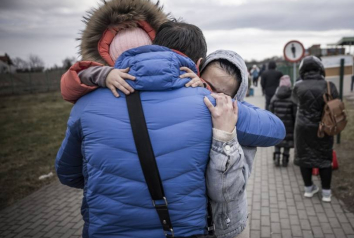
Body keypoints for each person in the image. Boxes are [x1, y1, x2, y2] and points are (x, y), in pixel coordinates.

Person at [56, 1, 285, 237]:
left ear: (155, 46)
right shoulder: (210, 104)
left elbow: (68, 174)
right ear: (198, 65)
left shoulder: (87, 103)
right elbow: (275, 130)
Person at [291, 56, 339, 202]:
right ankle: (326, 193)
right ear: (320, 69)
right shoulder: (329, 85)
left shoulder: (298, 86)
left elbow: (295, 102)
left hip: (303, 127)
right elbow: (336, 103)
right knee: (324, 158)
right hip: (323, 127)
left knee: (304, 157)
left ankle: (308, 189)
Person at [269, 75, 297, 167]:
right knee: (287, 142)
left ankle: (277, 156)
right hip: (289, 125)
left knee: (277, 140)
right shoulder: (292, 97)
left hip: (277, 124)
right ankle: (285, 159)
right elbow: (295, 113)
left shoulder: (275, 96)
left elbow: (271, 111)